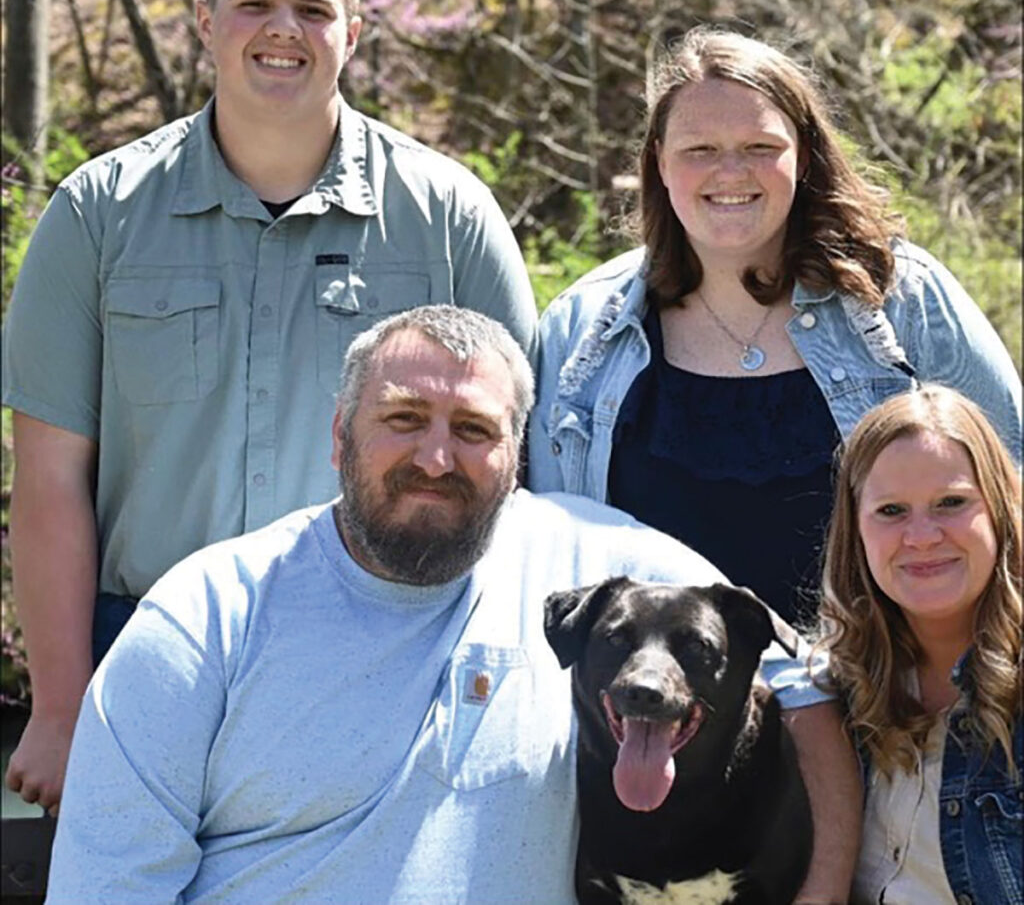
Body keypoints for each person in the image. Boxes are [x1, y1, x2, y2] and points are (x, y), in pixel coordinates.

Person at [47, 305, 858, 904]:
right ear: (339, 437)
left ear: (517, 455)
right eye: (403, 419)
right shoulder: (206, 617)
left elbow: (797, 678)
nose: (436, 457)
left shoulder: (597, 563)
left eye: (473, 429)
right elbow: (109, 885)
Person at [1, 0, 537, 814]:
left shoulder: (447, 216)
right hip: (144, 644)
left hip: (389, 647)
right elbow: (51, 478)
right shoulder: (97, 214)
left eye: (312, 9)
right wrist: (60, 707)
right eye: (253, 3)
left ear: (353, 34)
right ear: (206, 25)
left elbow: (513, 470)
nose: (283, 29)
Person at [529, 26, 1022, 628]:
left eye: (760, 147)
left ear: (805, 155)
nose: (731, 173)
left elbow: (1009, 487)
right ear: (658, 162)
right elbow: (549, 549)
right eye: (700, 150)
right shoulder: (583, 330)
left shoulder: (903, 299)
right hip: (657, 709)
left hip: (879, 696)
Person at [816, 384, 1022, 904]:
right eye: (891, 511)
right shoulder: (823, 692)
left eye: (951, 503)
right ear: (856, 531)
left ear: (998, 511)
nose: (923, 535)